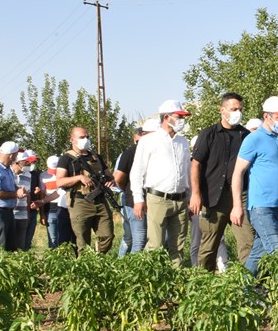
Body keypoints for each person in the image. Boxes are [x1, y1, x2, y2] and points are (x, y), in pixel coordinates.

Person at [231, 96, 278, 274]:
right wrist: (237, 205)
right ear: (267, 116)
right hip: (261, 206)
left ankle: (242, 291)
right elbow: (237, 173)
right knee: (277, 250)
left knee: (259, 253)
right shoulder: (254, 139)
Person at [190, 93, 252, 271]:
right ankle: (203, 285)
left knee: (247, 244)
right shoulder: (208, 134)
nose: (237, 113)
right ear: (222, 110)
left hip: (240, 197)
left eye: (240, 110)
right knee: (208, 247)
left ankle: (249, 288)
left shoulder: (246, 136)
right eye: (233, 109)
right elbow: (196, 165)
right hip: (213, 198)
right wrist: (195, 194)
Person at [132, 100, 192, 263]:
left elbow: (187, 171)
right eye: (178, 116)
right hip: (158, 199)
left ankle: (175, 284)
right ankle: (149, 283)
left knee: (178, 247)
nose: (182, 120)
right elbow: (137, 172)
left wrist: (190, 197)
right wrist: (138, 199)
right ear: (167, 117)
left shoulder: (183, 142)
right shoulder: (149, 141)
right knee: (155, 245)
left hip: (180, 200)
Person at [55, 127, 115, 254]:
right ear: (72, 140)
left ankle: (98, 257)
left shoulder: (96, 157)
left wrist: (111, 181)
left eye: (87, 137)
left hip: (100, 201)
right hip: (80, 201)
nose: (86, 140)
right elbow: (59, 181)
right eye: (82, 137)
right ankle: (85, 266)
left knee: (108, 236)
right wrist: (79, 177)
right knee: (82, 240)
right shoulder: (66, 158)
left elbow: (109, 175)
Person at [115, 124, 149, 255]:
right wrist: (128, 191)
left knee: (141, 239)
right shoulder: (130, 153)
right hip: (132, 201)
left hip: (146, 200)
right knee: (138, 239)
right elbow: (118, 178)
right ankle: (131, 270)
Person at [0, 141, 24, 251]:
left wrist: (17, 189)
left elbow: (10, 187)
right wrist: (15, 194)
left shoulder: (8, 168)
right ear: (11, 155)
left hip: (8, 211)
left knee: (10, 247)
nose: (17, 157)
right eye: (16, 155)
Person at [41, 155, 75, 248]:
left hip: (68, 209)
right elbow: (56, 193)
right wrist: (42, 203)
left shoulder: (67, 178)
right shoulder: (43, 176)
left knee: (69, 238)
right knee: (55, 239)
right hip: (53, 209)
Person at [12, 149, 41, 252]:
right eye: (26, 161)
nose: (29, 164)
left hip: (23, 214)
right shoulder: (9, 173)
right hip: (10, 213)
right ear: (17, 162)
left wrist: (27, 214)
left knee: (22, 246)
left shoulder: (28, 175)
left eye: (30, 162)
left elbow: (27, 194)